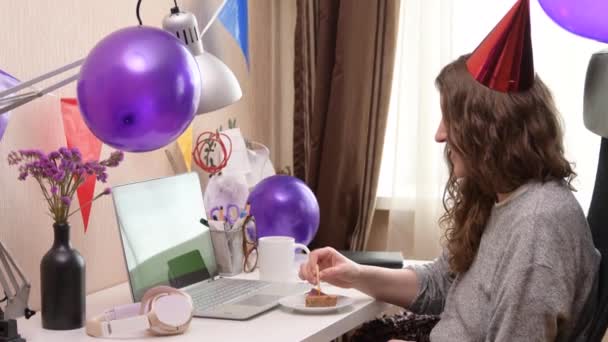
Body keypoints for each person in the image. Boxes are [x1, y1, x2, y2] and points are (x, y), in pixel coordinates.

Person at [299, 0, 600, 341]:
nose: (440, 134)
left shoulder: (536, 227)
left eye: (450, 120)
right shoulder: (499, 197)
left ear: (487, 129)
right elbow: (442, 284)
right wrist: (353, 274)